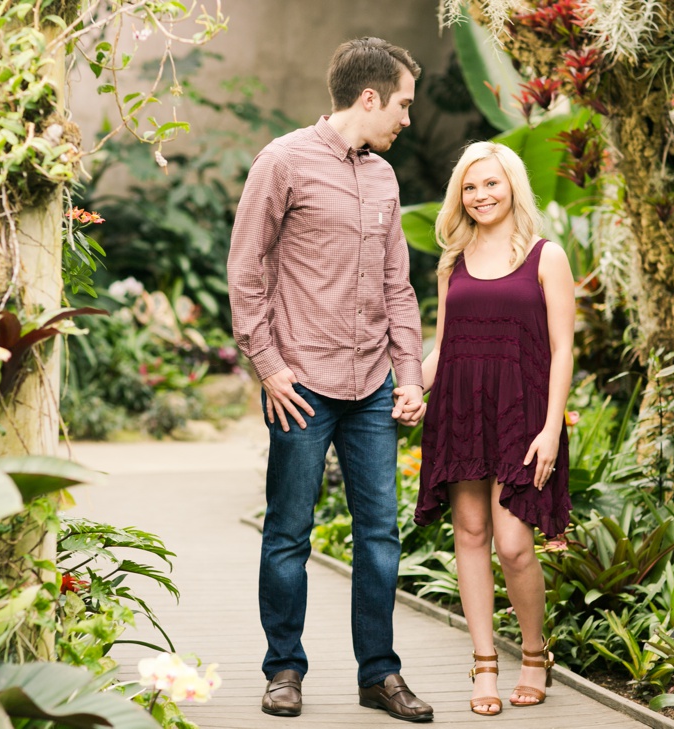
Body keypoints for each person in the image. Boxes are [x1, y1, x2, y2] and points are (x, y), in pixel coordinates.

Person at [228, 37, 432, 722]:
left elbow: (398, 285)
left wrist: (408, 373)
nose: (408, 117)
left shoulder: (384, 179)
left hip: (372, 384)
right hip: (302, 384)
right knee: (288, 531)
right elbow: (247, 271)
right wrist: (270, 366)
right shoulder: (282, 162)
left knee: (380, 535)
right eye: (403, 103)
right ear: (369, 97)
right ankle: (283, 668)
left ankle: (380, 673)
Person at [414, 141, 575, 716]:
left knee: (514, 545)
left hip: (522, 415)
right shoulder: (452, 261)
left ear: (512, 185)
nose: (481, 195)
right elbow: (444, 346)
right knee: (471, 532)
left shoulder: (544, 255)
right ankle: (484, 663)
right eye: (470, 187)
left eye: (491, 184)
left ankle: (535, 653)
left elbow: (562, 349)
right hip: (460, 410)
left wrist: (552, 427)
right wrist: (412, 386)